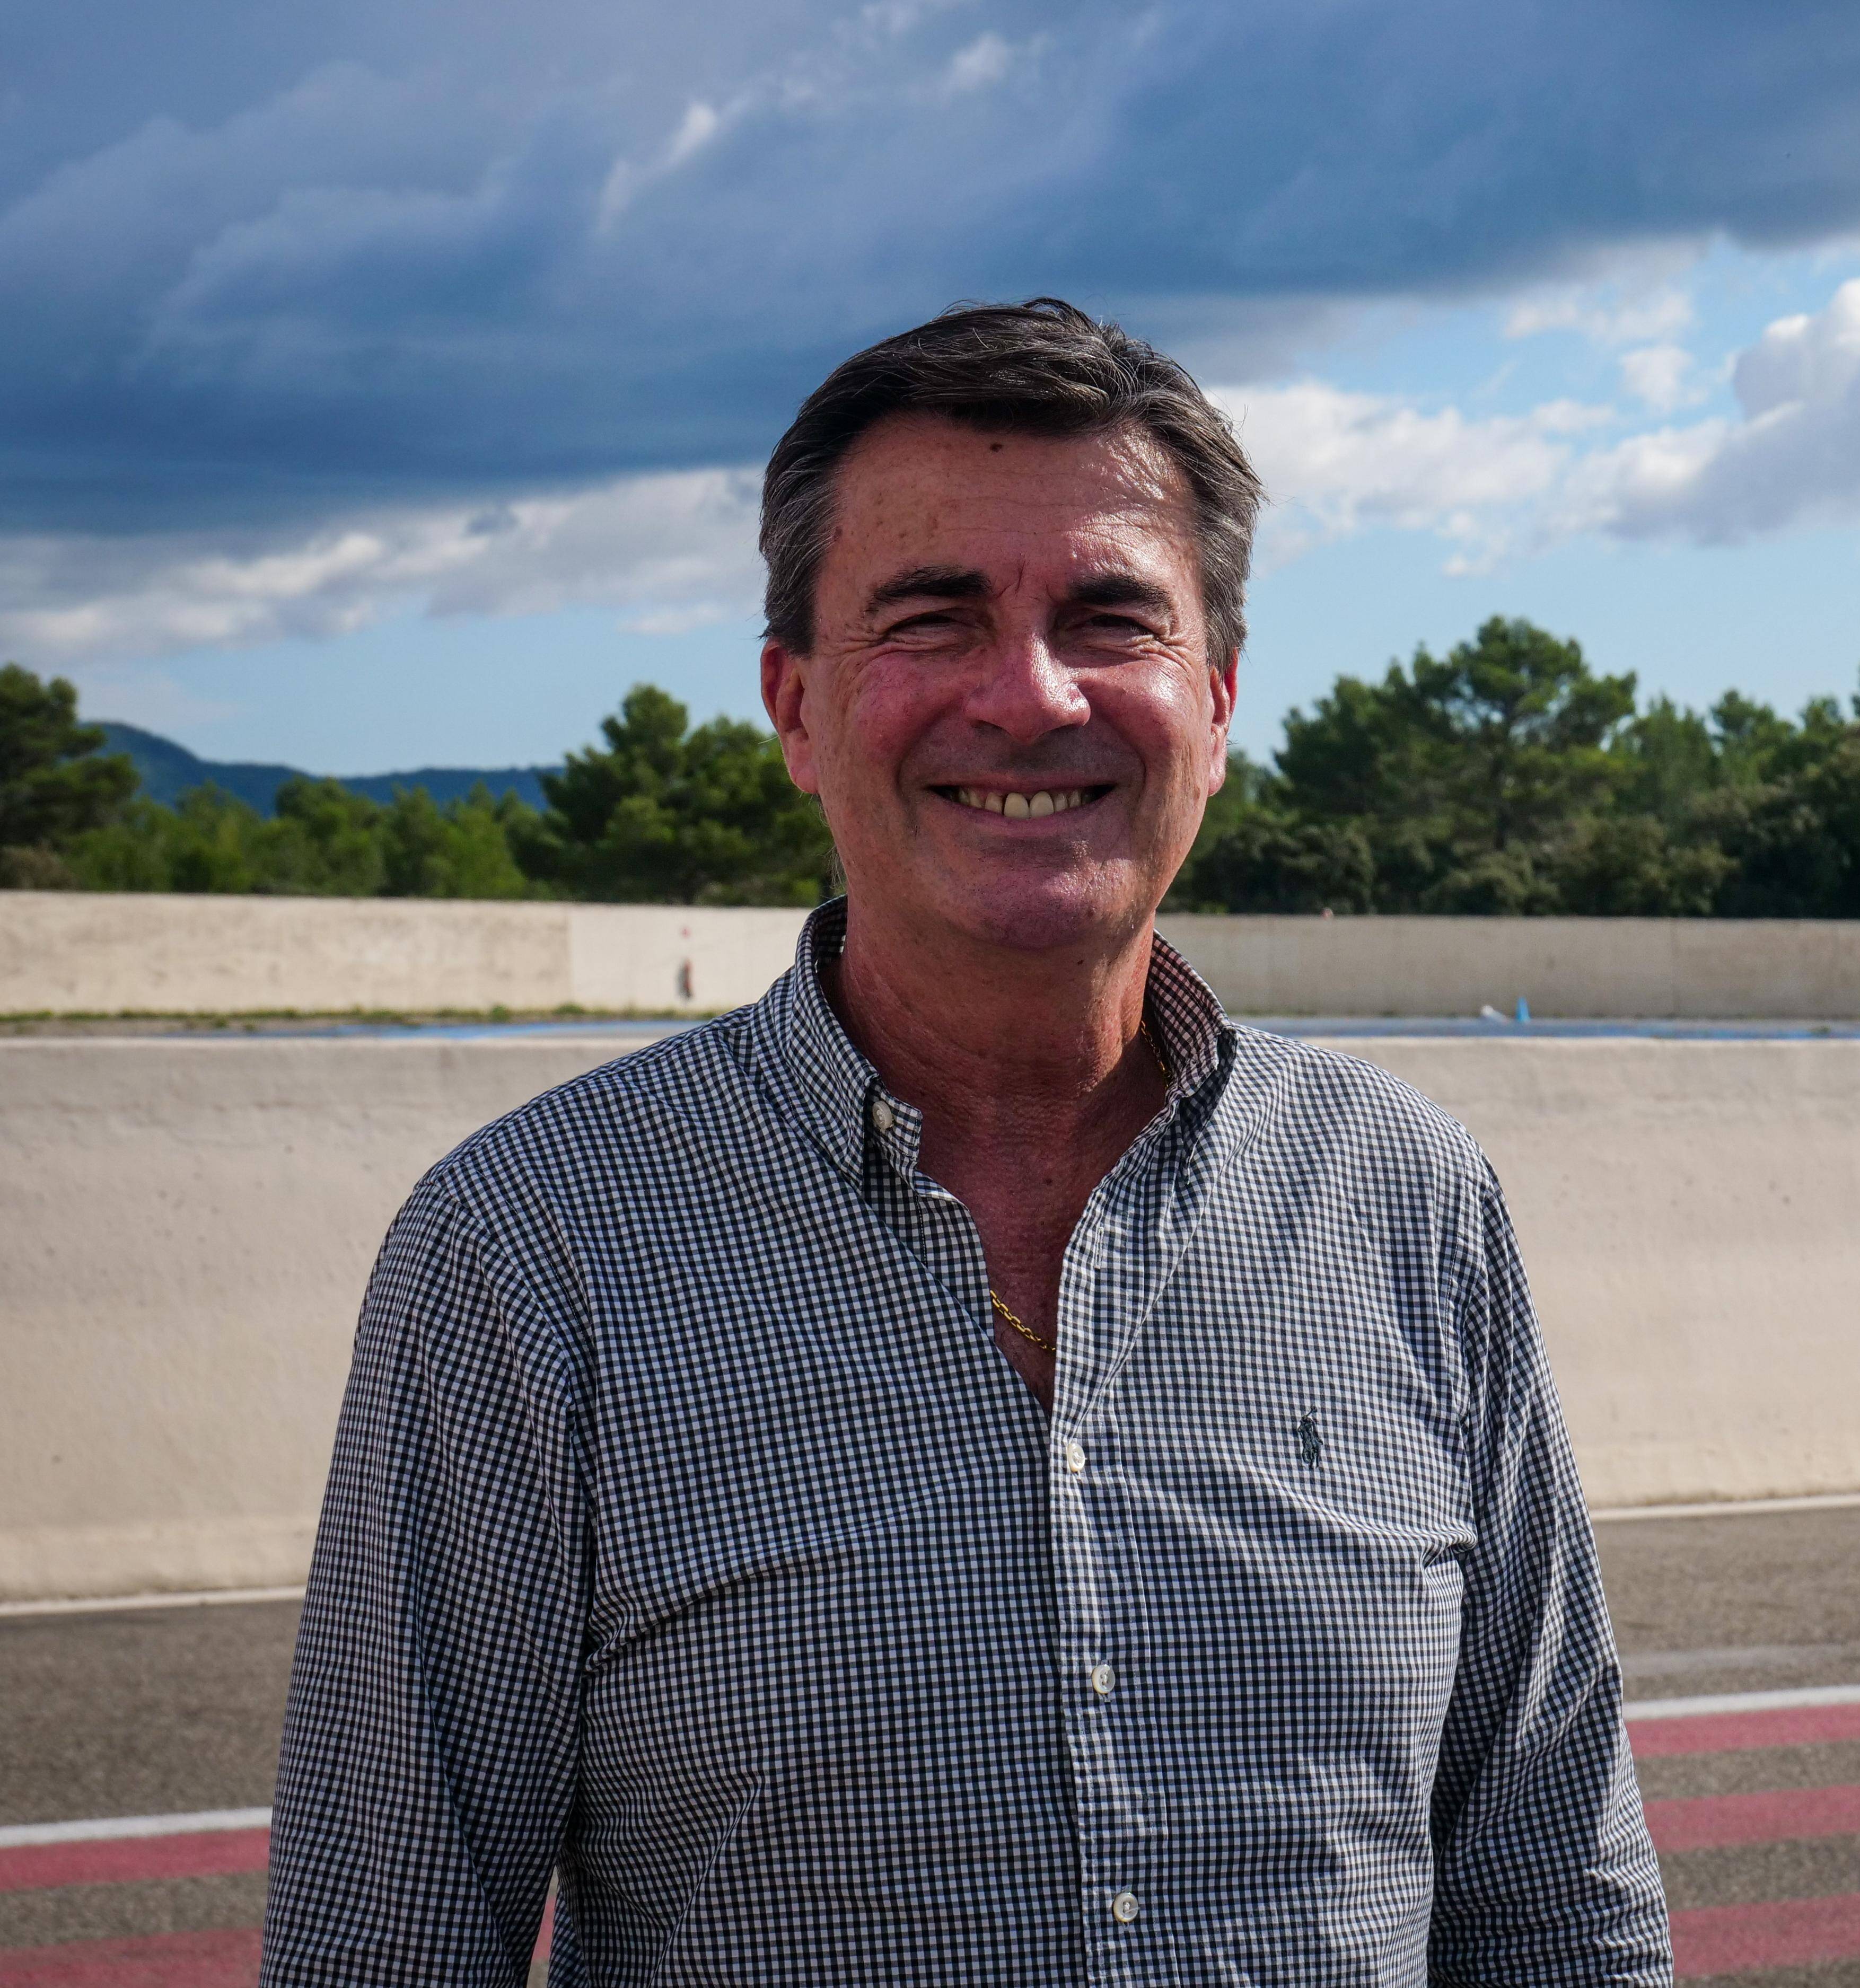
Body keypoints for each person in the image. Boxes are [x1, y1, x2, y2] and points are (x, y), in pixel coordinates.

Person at [260, 298, 1672, 1985]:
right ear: (796, 707)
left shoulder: (1409, 1202)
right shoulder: (528, 1250)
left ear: (1215, 706)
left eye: (1109, 617)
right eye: (933, 620)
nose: (1030, 696)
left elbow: (1555, 1906)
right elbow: (384, 1952)